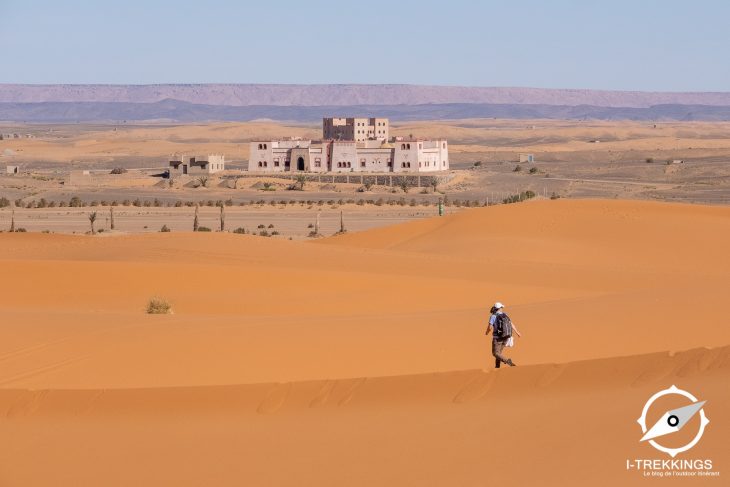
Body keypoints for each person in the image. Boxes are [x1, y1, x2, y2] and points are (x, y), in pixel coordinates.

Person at [485, 302, 522, 368]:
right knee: (499, 353)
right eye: (501, 307)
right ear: (499, 308)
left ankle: (508, 361)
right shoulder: (505, 315)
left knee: (495, 353)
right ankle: (497, 367)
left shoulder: (493, 316)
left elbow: (490, 327)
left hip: (497, 338)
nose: (502, 308)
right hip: (505, 337)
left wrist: (487, 332)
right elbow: (511, 324)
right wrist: (517, 332)